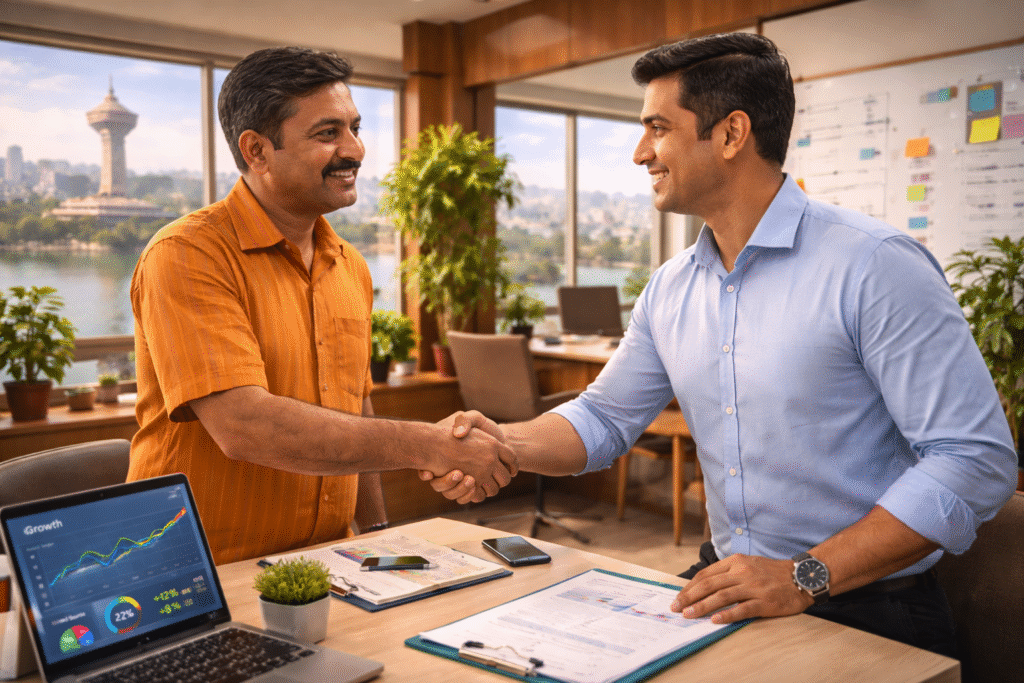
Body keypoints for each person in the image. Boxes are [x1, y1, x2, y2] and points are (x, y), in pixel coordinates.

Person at [429, 33, 1017, 656]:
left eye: (657, 128)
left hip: (867, 604)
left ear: (732, 135)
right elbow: (603, 416)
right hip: (729, 586)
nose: (639, 154)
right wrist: (505, 444)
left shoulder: (875, 265)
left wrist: (804, 575)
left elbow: (973, 458)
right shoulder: (671, 288)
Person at [128, 46, 516, 565]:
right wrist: (430, 443)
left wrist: (378, 538)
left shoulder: (348, 265)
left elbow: (357, 407)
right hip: (199, 575)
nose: (354, 150)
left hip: (329, 564)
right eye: (327, 133)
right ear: (257, 150)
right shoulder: (188, 255)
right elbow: (244, 425)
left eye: (354, 128)